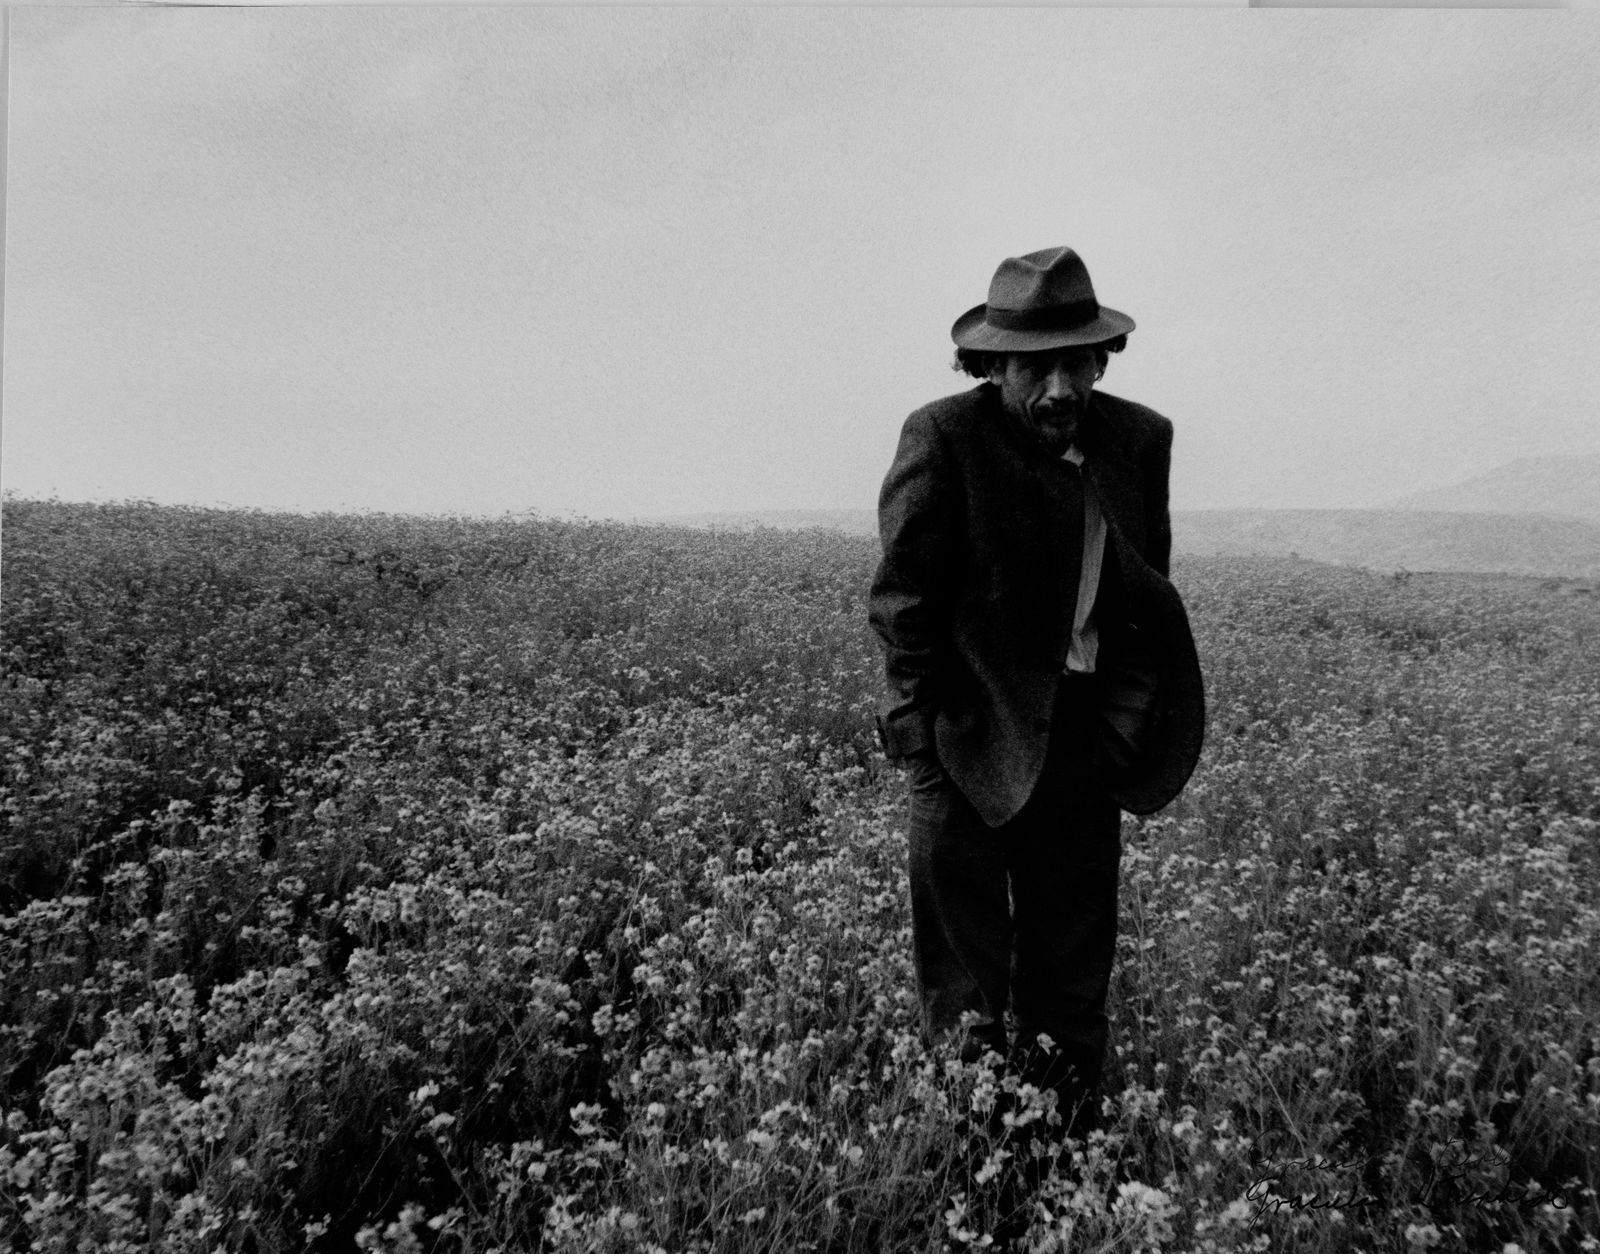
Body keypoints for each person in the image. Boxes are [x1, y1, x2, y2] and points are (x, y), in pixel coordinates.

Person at [868, 245, 1205, 1137]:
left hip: (1080, 748)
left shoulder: (1140, 440)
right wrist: (921, 743)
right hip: (966, 743)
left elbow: (1144, 587)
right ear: (991, 365)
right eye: (1034, 367)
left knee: (1072, 981)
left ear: (1103, 358)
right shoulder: (944, 436)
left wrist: (1121, 729)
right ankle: (974, 1177)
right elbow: (902, 601)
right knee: (965, 996)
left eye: (1077, 362)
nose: (1059, 388)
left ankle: (1061, 1168)